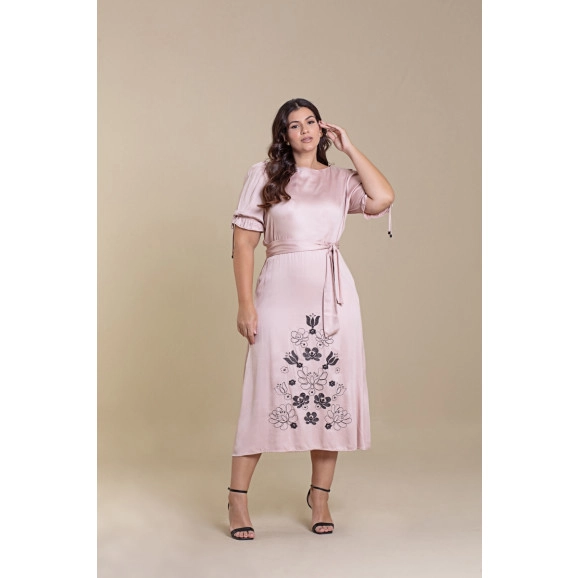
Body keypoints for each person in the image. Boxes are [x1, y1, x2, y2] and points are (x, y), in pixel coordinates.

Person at [227, 98, 395, 540]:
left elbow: (383, 197)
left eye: (311, 122)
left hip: (332, 299)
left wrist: (350, 147)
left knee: (327, 398)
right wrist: (245, 305)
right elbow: (243, 244)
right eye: (294, 125)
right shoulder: (264, 175)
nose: (304, 130)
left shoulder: (341, 179)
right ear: (283, 135)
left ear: (322, 130)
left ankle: (320, 497)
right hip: (279, 292)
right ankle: (237, 499)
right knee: (263, 393)